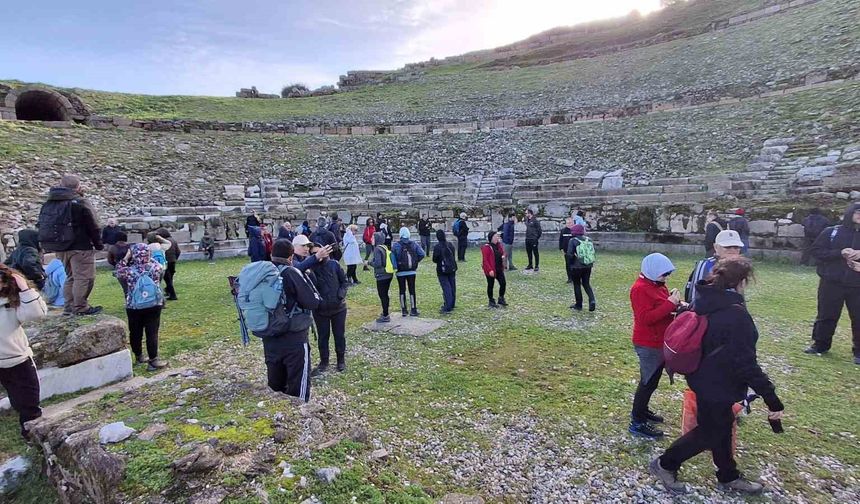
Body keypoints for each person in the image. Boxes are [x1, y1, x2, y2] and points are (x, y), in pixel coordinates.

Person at [651, 257, 784, 495]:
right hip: (718, 384)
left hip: (700, 376)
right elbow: (747, 365)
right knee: (710, 431)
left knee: (720, 426)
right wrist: (772, 399)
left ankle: (728, 475)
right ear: (742, 282)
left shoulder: (703, 299)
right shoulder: (736, 316)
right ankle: (665, 463)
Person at [629, 253, 682, 439]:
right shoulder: (640, 289)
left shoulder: (657, 285)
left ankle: (643, 411)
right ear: (652, 271)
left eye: (668, 274)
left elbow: (662, 308)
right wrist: (670, 304)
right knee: (647, 382)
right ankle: (637, 422)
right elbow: (646, 318)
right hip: (648, 343)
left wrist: (677, 305)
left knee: (653, 381)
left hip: (659, 341)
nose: (666, 278)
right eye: (663, 274)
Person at [38, 174, 104, 316]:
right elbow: (93, 225)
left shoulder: (50, 202)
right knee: (84, 277)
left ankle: (69, 306)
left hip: (60, 247)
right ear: (78, 186)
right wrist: (98, 244)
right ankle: (80, 307)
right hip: (80, 246)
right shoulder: (79, 202)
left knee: (71, 277)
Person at [804, 202, 860, 364]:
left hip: (857, 284)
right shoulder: (832, 232)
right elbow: (816, 251)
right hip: (831, 281)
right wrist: (840, 253)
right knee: (826, 314)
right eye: (857, 212)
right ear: (850, 213)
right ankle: (820, 344)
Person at [267, 239, 322, 401]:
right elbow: (312, 302)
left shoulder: (264, 272)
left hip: (269, 333)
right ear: (291, 257)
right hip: (293, 336)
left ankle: (278, 410)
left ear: (271, 254)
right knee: (298, 382)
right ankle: (299, 412)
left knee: (275, 381)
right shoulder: (291, 273)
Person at [0, 264, 48, 439]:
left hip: (17, 359)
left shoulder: (9, 300)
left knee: (28, 404)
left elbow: (37, 314)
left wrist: (25, 289)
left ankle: (32, 438)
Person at [114, 244, 167, 371]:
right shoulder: (156, 267)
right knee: (152, 332)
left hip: (134, 306)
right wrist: (149, 257)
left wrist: (127, 257)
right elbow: (161, 267)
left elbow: (118, 271)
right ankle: (153, 360)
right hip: (153, 304)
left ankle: (139, 356)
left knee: (135, 332)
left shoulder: (128, 271)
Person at [306, 243, 349, 374]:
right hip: (320, 310)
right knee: (323, 336)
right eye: (313, 254)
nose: (317, 255)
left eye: (318, 252)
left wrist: (340, 295)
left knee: (339, 335)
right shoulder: (310, 269)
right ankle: (324, 361)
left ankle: (341, 360)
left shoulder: (334, 264)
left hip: (338, 308)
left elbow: (344, 281)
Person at [684, 230, 743, 306]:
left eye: (736, 247)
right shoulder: (706, 265)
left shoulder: (739, 267)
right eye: (727, 247)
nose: (732, 250)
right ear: (716, 247)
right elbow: (695, 296)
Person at [393, 227, 425, 316]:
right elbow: (422, 254)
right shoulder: (414, 244)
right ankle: (413, 309)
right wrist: (415, 261)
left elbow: (393, 258)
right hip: (411, 271)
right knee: (412, 290)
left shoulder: (396, 245)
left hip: (400, 271)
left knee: (402, 290)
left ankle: (404, 310)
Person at [566, 224, 596, 311]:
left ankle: (579, 304)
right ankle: (592, 300)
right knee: (586, 283)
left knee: (577, 284)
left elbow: (569, 254)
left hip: (576, 266)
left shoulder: (573, 241)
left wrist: (570, 264)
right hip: (588, 265)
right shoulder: (588, 240)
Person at [370, 231, 394, 323]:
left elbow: (378, 263)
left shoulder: (377, 249)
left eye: (373, 237)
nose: (371, 239)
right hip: (388, 274)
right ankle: (385, 312)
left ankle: (385, 315)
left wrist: (369, 263)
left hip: (382, 275)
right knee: (385, 294)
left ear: (377, 239)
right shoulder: (384, 247)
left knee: (382, 295)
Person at [432, 229, 457, 313]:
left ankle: (448, 306)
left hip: (442, 270)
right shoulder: (450, 245)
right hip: (452, 268)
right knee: (452, 286)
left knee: (446, 288)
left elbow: (434, 259)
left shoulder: (437, 247)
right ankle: (452, 303)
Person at [482, 231, 507, 308]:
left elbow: (503, 252)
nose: (497, 238)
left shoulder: (499, 245)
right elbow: (485, 260)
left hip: (499, 268)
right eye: (495, 236)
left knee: (503, 283)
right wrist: (490, 270)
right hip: (490, 269)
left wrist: (503, 256)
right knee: (490, 285)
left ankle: (501, 298)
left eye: (497, 236)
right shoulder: (487, 247)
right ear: (491, 238)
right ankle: (491, 301)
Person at [156, 228, 180, 301]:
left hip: (166, 262)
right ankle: (168, 291)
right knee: (170, 278)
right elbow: (178, 251)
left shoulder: (163, 242)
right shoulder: (173, 241)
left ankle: (173, 295)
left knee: (167, 279)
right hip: (172, 261)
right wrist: (175, 258)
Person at [559, 218, 575, 284]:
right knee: (568, 264)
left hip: (574, 251)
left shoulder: (575, 230)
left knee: (575, 265)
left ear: (573, 223)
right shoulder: (563, 230)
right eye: (567, 223)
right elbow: (560, 240)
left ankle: (576, 278)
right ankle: (569, 278)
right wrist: (561, 248)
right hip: (566, 251)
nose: (569, 224)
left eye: (570, 223)